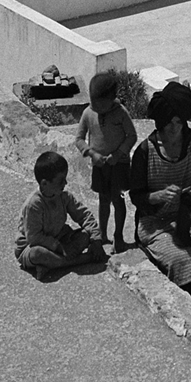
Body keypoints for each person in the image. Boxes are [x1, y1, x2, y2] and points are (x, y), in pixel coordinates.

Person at [129, 82, 191, 309]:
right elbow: (137, 197)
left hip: (189, 215)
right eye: (169, 124)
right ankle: (186, 310)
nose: (174, 129)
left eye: (178, 123)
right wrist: (158, 196)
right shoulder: (145, 151)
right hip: (156, 223)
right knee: (180, 259)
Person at [14, 151, 104, 276]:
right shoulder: (33, 205)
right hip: (33, 246)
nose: (65, 184)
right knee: (38, 254)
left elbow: (84, 216)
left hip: (60, 238)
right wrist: (60, 248)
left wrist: (96, 240)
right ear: (44, 184)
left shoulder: (64, 197)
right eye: (61, 181)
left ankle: (51, 265)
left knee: (84, 236)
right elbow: (34, 237)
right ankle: (83, 259)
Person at [75, 71, 138, 249]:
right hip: (100, 165)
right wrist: (92, 153)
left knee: (117, 199)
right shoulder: (88, 113)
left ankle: (118, 237)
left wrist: (118, 154)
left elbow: (131, 135)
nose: (95, 107)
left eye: (100, 105)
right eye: (93, 103)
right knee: (103, 200)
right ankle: (102, 234)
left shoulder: (120, 113)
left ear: (111, 100)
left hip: (119, 165)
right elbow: (79, 139)